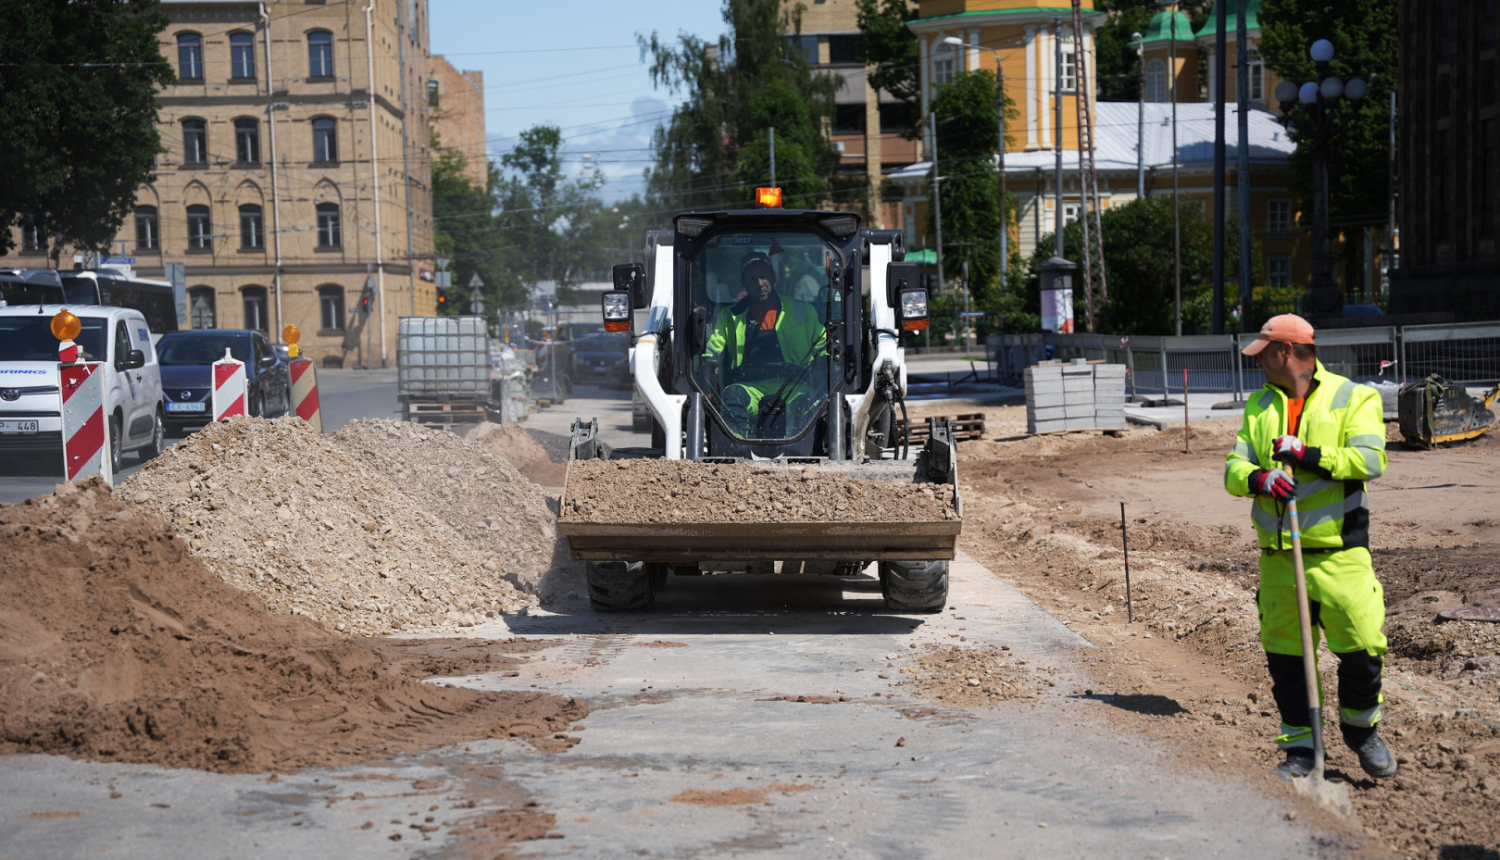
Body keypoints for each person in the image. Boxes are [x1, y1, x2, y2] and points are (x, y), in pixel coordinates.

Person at [1224, 314, 1396, 780]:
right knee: (1287, 659)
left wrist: (1307, 456)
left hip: (1341, 554)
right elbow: (1233, 469)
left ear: (1285, 351)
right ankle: (1301, 749)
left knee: (1363, 647)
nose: (1257, 362)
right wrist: (1259, 478)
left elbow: (1370, 460)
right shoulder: (1259, 405)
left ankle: (1361, 731)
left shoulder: (1353, 397)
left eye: (1263, 353)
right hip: (1279, 558)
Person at [702, 251, 824, 437]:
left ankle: (800, 452)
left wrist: (825, 363)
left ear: (773, 277)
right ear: (743, 282)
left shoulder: (803, 311)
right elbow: (712, 349)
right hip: (749, 386)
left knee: (803, 406)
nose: (759, 283)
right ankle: (735, 450)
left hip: (794, 386)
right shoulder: (730, 315)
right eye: (752, 278)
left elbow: (823, 346)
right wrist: (708, 363)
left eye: (764, 276)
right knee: (733, 395)